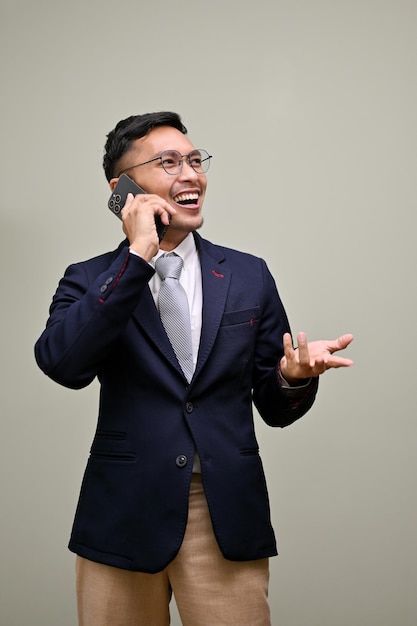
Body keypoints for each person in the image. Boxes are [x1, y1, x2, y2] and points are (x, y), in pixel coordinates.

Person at [34, 111, 353, 626]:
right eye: (168, 162)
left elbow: (274, 406)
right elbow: (63, 363)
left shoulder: (249, 275)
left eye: (195, 160)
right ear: (123, 188)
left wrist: (293, 378)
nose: (191, 174)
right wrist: (137, 254)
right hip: (122, 513)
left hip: (223, 510)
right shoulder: (90, 278)